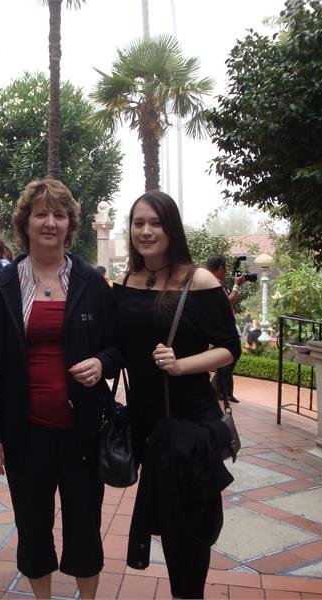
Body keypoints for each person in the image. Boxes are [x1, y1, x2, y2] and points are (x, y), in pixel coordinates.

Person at [0, 179, 120, 599]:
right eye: (41, 214)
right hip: (26, 434)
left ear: (70, 223)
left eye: (59, 214)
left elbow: (117, 346)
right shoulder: (2, 286)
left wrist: (102, 363)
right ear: (25, 223)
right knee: (33, 529)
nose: (50, 222)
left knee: (85, 528)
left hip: (83, 433)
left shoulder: (90, 282)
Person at [113, 191, 241, 599]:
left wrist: (181, 364)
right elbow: (118, 346)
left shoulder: (198, 281)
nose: (146, 231)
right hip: (147, 426)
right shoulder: (126, 283)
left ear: (171, 229)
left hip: (189, 426)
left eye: (156, 223)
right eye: (138, 223)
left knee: (187, 532)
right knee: (165, 521)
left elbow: (230, 348)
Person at [206, 255, 247, 403]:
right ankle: (221, 391)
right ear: (220, 268)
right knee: (230, 355)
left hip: (220, 326)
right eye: (225, 268)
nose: (226, 271)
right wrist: (237, 286)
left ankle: (220, 390)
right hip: (220, 328)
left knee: (227, 360)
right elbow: (226, 302)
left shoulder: (213, 283)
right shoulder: (213, 284)